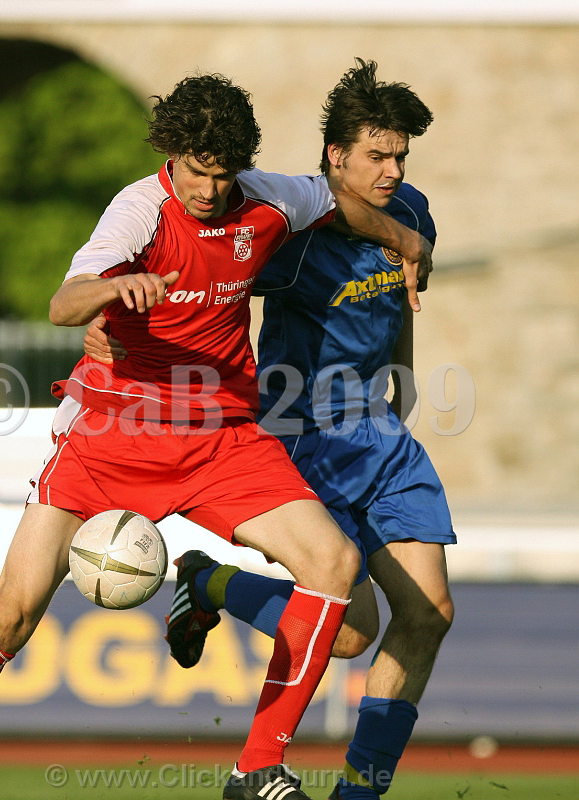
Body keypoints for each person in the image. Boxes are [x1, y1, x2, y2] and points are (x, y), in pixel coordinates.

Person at [0, 73, 433, 800]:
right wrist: (114, 291)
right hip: (112, 437)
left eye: (222, 175)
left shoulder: (266, 197)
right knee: (11, 612)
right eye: (194, 171)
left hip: (221, 439)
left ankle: (255, 769)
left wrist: (403, 237)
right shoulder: (139, 211)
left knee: (333, 566)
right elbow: (65, 300)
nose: (208, 190)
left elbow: (337, 200)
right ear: (169, 154)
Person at [85, 60, 455, 800]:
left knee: (430, 614)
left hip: (380, 434)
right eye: (377, 155)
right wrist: (107, 317)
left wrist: (401, 391)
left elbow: (400, 310)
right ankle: (209, 580)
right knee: (350, 634)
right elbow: (196, 276)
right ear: (335, 157)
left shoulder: (411, 215)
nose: (392, 169)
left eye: (401, 155)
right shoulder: (287, 231)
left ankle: (357, 796)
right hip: (303, 432)